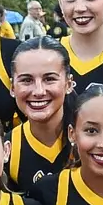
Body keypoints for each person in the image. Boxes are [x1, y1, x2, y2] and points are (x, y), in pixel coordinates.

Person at [6, 36, 73, 189]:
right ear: (12, 87)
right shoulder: (5, 149)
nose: (38, 91)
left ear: (68, 84)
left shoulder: (92, 140)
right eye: (26, 80)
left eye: (49, 79)